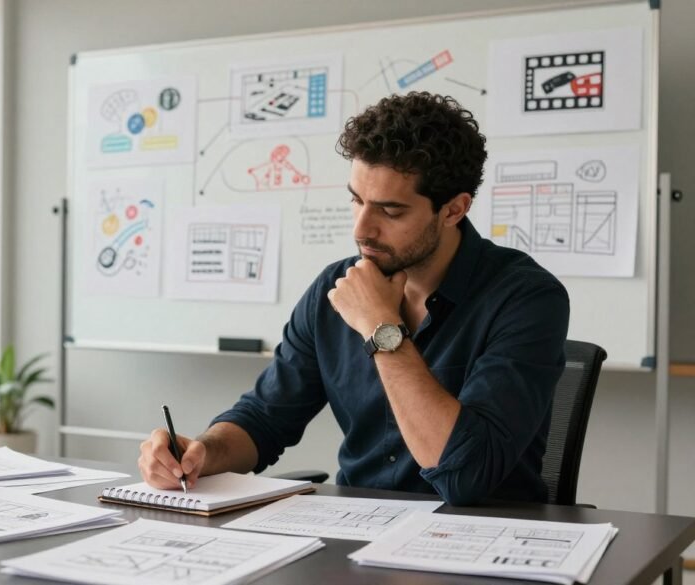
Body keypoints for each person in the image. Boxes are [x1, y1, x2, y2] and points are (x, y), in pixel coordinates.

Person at [138, 91, 570, 506]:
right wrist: (202, 453)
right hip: (359, 530)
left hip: (481, 542)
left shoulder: (527, 298)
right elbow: (266, 418)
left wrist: (383, 329)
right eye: (357, 200)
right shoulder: (335, 288)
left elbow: (464, 474)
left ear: (454, 210)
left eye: (390, 210)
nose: (362, 229)